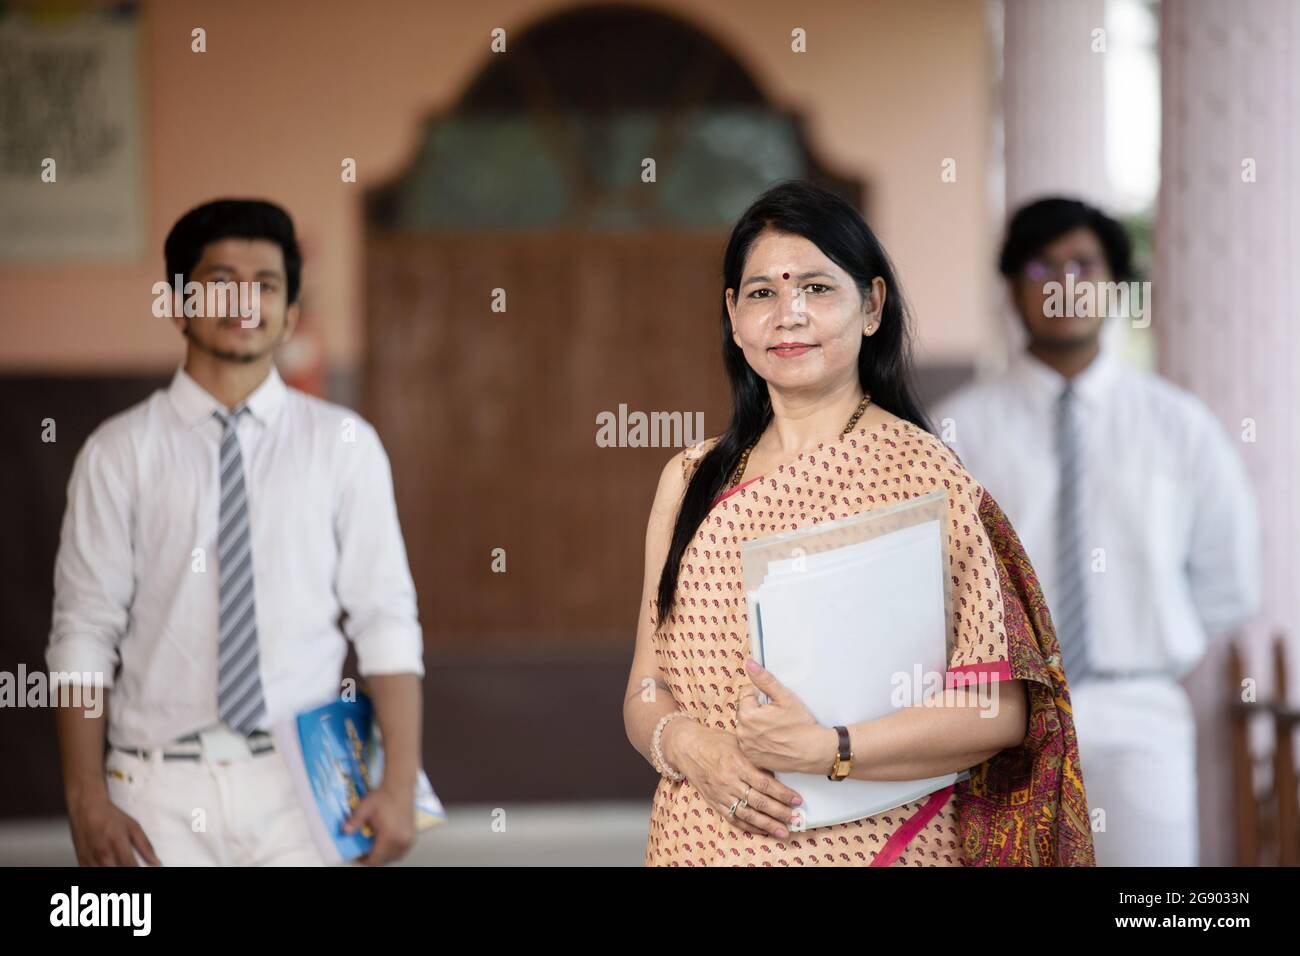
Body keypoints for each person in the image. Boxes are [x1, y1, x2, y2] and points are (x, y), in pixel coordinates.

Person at [623, 181, 1095, 866]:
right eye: (761, 294)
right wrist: (689, 747)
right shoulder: (690, 480)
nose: (788, 315)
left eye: (817, 288)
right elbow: (644, 689)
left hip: (884, 845)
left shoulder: (924, 476)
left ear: (871, 305)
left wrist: (831, 749)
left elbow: (998, 711)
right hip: (701, 839)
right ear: (733, 315)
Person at [47, 199, 425, 866]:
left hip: (303, 787)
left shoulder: (343, 445)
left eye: (267, 285)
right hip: (153, 793)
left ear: (291, 316)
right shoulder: (118, 452)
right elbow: (83, 629)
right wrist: (86, 800)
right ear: (176, 301)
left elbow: (385, 619)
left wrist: (399, 784)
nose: (245, 302)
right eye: (221, 281)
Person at [934, 197, 1260, 865]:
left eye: (1083, 264)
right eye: (1041, 266)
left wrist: (1156, 644)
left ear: (1114, 283)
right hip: (1001, 717)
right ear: (1011, 288)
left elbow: (1228, 578)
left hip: (1140, 709)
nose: (1063, 284)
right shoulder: (954, 431)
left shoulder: (1178, 425)